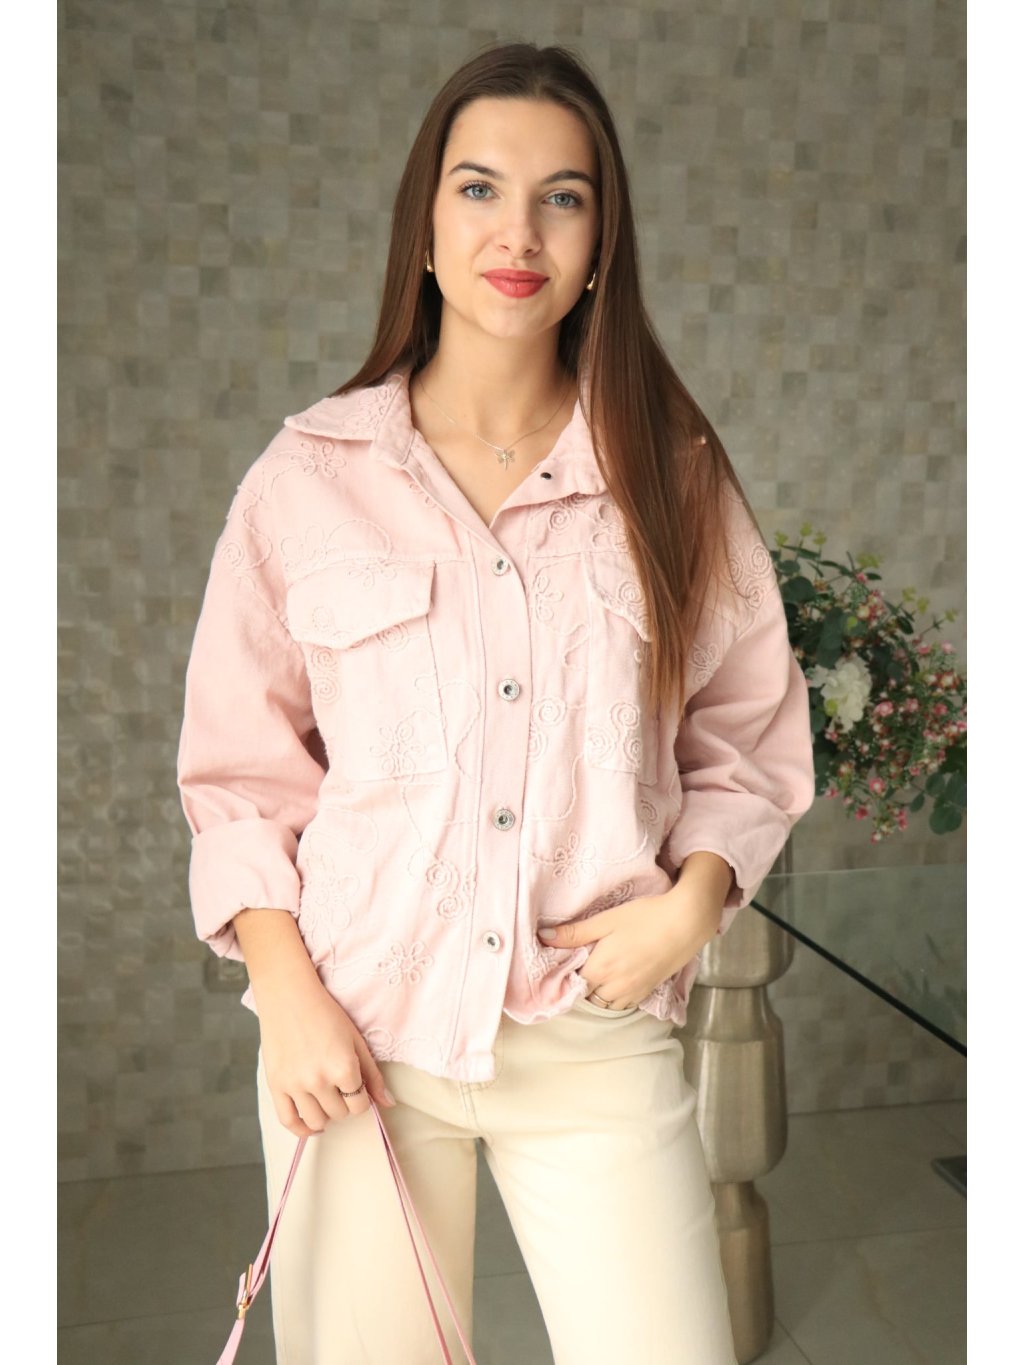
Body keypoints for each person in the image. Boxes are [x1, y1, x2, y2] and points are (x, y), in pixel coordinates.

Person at [178, 41, 815, 1365]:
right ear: (423, 226)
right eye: (478, 189)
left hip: (591, 1030)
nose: (517, 233)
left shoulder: (674, 476)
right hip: (356, 1038)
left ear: (601, 243)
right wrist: (287, 996)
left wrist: (692, 903)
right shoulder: (307, 481)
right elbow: (240, 774)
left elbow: (748, 737)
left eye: (561, 198)